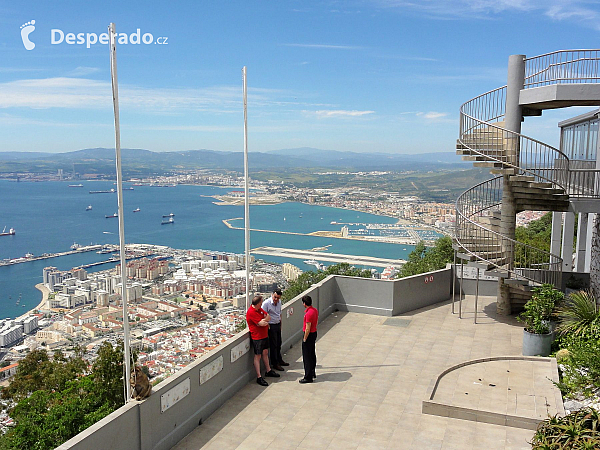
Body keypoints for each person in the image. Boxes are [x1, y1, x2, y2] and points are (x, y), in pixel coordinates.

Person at [246, 295, 280, 386]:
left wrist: (264, 321)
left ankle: (268, 370)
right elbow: (261, 323)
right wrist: (263, 321)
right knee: (258, 356)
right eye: (261, 303)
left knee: (265, 353)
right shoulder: (251, 312)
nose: (262, 305)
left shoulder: (259, 310)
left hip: (264, 335)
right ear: (257, 304)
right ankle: (259, 376)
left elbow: (268, 317)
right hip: (257, 337)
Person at [262, 289, 289, 371]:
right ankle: (275, 363)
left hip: (277, 324)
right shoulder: (266, 304)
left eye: (278, 298)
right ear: (272, 295)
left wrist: (281, 323)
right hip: (271, 326)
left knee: (278, 343)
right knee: (273, 345)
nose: (276, 299)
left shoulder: (279, 303)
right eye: (275, 297)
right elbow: (263, 315)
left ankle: (279, 359)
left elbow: (280, 313)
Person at [299, 294, 318, 384]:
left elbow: (307, 328)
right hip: (314, 333)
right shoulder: (314, 311)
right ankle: (312, 371)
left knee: (307, 357)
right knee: (312, 354)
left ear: (304, 303)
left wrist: (304, 339)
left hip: (309, 335)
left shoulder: (308, 314)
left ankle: (308, 376)